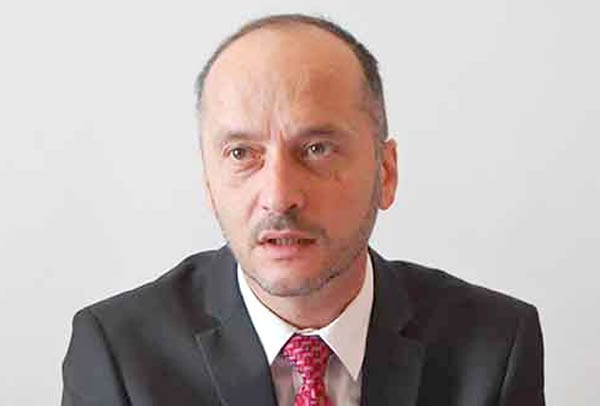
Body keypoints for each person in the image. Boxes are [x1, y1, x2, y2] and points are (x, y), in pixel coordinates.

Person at [62, 14, 545, 406]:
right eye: (241, 153)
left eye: (316, 149)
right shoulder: (119, 353)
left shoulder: (494, 347)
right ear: (209, 184)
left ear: (386, 172)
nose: (278, 196)